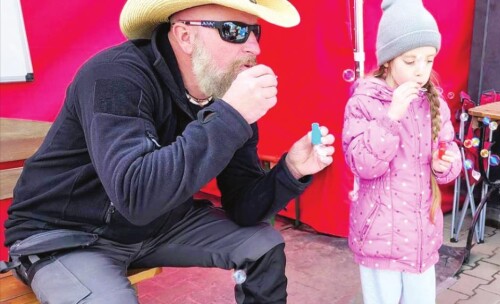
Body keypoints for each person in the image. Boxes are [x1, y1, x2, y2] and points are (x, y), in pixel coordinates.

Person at [2, 1, 336, 303]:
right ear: (185, 36)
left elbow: (244, 208)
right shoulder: (115, 75)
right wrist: (230, 117)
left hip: (155, 227)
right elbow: (136, 197)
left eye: (255, 31)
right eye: (234, 31)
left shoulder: (225, 96)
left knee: (263, 244)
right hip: (67, 235)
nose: (254, 46)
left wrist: (290, 170)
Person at [342, 0, 462, 303]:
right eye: (410, 61)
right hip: (379, 236)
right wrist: (391, 117)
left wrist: (442, 164)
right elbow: (362, 164)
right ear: (387, 60)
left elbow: (452, 160)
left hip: (422, 236)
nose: (421, 71)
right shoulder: (365, 102)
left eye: (428, 60)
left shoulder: (433, 104)